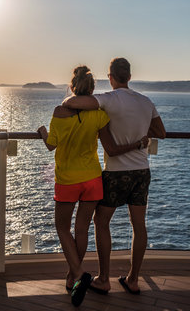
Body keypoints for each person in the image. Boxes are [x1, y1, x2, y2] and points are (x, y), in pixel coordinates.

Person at [38, 65, 149, 306]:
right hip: (93, 178)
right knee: (82, 229)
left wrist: (42, 131)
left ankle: (77, 273)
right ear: (92, 89)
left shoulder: (59, 111)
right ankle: (72, 278)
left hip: (68, 179)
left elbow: (51, 145)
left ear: (72, 86)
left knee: (61, 227)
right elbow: (114, 132)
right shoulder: (99, 115)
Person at [62, 57, 166, 295]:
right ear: (129, 76)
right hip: (141, 171)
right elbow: (161, 132)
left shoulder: (109, 100)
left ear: (110, 77)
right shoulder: (145, 101)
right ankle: (133, 279)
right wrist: (140, 131)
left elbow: (74, 102)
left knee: (101, 223)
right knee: (139, 225)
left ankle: (104, 279)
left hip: (117, 173)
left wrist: (69, 98)